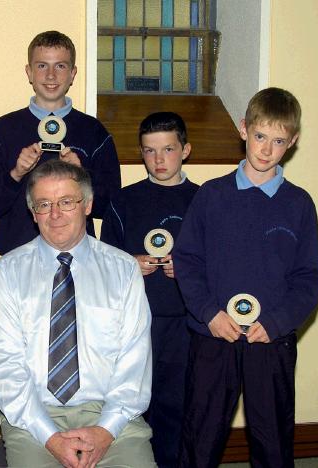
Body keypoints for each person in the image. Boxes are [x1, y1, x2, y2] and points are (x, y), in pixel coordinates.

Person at [173, 87, 318, 467]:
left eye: (277, 141)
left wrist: (276, 323)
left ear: (292, 142)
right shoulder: (211, 196)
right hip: (213, 335)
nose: (265, 149)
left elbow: (309, 277)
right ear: (244, 129)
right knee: (200, 434)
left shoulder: (299, 204)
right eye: (259, 136)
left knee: (272, 437)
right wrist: (209, 313)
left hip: (269, 340)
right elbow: (187, 260)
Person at [0, 159, 155, 468]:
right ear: (32, 212)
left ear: (87, 205)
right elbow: (6, 368)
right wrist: (49, 437)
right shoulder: (8, 272)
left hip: (110, 413)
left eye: (66, 202)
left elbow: (135, 361)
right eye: (43, 204)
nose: (55, 214)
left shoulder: (123, 269)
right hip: (33, 416)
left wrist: (105, 430)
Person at [101, 111, 199, 468]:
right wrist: (131, 263)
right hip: (134, 324)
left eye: (168, 149)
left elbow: (217, 264)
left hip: (185, 325)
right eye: (149, 151)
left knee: (177, 406)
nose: (159, 160)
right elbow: (104, 263)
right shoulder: (123, 201)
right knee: (131, 406)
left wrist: (187, 269)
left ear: (185, 150)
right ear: (140, 153)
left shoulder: (203, 201)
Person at [0, 30, 121, 255]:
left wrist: (82, 174)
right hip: (18, 257)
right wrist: (15, 175)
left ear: (73, 74)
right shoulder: (5, 128)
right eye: (42, 66)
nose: (51, 76)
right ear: (29, 72)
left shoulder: (93, 131)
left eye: (60, 66)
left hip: (77, 256)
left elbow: (110, 207)